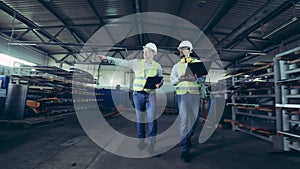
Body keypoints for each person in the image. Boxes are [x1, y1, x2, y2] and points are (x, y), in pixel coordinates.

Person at [97, 42, 163, 153]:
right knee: (140, 119)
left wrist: (159, 84)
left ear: (153, 53)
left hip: (150, 95)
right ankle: (141, 141)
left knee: (152, 119)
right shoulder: (137, 63)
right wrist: (108, 59)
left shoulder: (157, 66)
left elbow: (160, 80)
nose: (144, 53)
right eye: (144, 51)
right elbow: (123, 62)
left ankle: (151, 143)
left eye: (147, 52)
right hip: (137, 95)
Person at [170, 40, 206, 162]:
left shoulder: (197, 63)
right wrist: (179, 79)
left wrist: (197, 78)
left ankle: (187, 138)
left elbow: (203, 78)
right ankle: (184, 150)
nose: (182, 51)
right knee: (184, 120)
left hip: (195, 95)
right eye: (180, 49)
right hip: (182, 95)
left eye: (184, 49)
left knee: (195, 121)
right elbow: (172, 81)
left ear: (190, 50)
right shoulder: (176, 66)